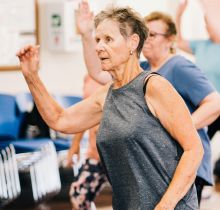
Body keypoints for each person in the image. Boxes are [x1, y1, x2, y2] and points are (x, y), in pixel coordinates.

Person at [17, 6, 204, 210]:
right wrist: (31, 77)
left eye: (108, 39)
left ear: (133, 42)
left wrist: (165, 205)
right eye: (98, 40)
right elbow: (60, 120)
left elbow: (193, 149)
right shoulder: (106, 94)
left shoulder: (153, 87)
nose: (98, 47)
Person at [74, 1, 220, 205]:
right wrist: (86, 35)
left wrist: (175, 128)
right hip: (158, 162)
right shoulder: (141, 69)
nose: (146, 39)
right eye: (146, 33)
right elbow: (97, 73)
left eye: (153, 35)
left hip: (184, 160)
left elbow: (215, 103)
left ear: (170, 40)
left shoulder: (179, 67)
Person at [176, 0, 220, 140]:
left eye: (209, 23)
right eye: (206, 23)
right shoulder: (202, 45)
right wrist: (179, 15)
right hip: (206, 106)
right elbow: (179, 41)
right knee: (198, 142)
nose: (207, 26)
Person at [67, 75, 108, 210]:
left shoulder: (117, 74)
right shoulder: (89, 78)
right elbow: (85, 115)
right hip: (95, 152)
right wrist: (75, 144)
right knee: (78, 195)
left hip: (114, 153)